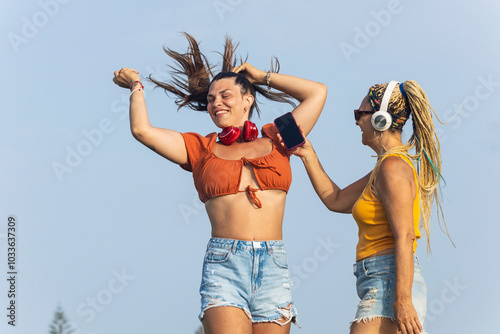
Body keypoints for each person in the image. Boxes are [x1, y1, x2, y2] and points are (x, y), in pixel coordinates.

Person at [112, 33, 327, 334]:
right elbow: (142, 131)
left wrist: (259, 75)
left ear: (247, 100)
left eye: (225, 96)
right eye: (211, 99)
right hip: (225, 263)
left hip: (273, 264)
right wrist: (135, 86)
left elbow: (317, 93)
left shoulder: (279, 137)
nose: (216, 104)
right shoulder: (200, 147)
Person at [288, 80, 447, 334]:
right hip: (379, 280)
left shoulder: (392, 168)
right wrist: (308, 154)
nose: (356, 121)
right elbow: (336, 199)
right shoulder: (383, 168)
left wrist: (403, 300)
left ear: (380, 119)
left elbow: (405, 235)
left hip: (390, 281)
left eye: (359, 114)